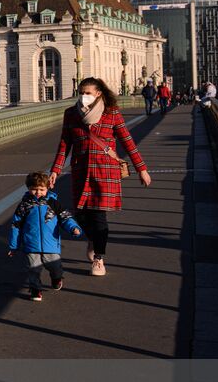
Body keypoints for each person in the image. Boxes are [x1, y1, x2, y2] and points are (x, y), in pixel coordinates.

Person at [49, 77, 151, 277]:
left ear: (98, 94)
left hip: (105, 171)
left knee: (98, 215)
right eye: (81, 92)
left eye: (88, 93)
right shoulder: (71, 114)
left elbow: (128, 142)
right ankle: (93, 240)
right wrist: (55, 170)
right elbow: (64, 145)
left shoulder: (111, 113)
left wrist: (142, 169)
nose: (84, 96)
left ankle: (99, 259)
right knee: (79, 214)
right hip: (81, 170)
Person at [7, 172, 83, 301]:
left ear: (47, 188)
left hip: (51, 244)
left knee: (54, 266)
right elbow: (16, 226)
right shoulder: (24, 206)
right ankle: (35, 289)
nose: (37, 192)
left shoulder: (53, 203)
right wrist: (14, 246)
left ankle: (57, 278)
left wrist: (74, 228)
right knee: (33, 268)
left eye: (41, 189)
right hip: (31, 243)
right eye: (34, 189)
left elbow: (65, 218)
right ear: (28, 188)